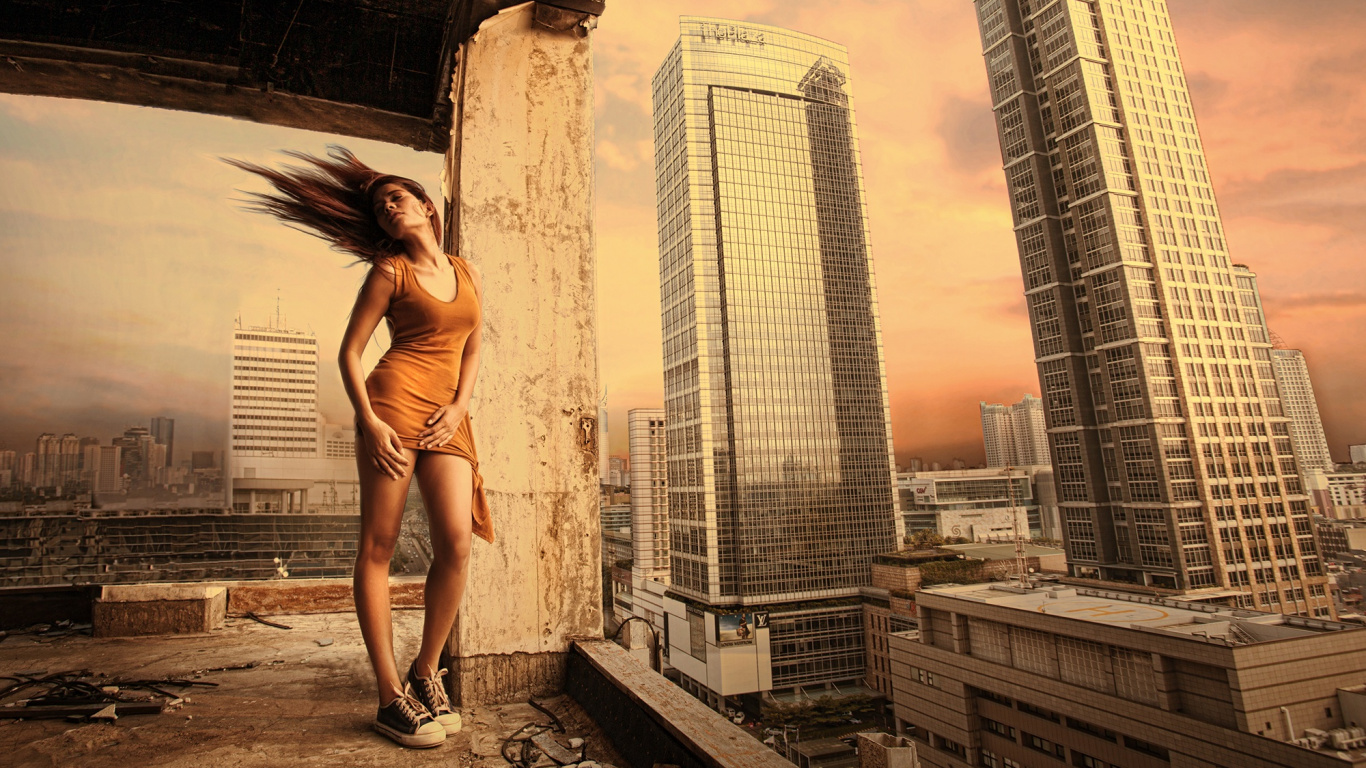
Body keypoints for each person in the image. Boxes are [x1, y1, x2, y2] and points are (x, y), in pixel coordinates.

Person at [226, 147, 493, 749]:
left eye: (396, 198)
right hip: (392, 407)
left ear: (427, 206)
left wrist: (459, 408)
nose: (388, 209)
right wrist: (369, 423)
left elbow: (472, 344)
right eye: (379, 207)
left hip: (446, 417)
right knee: (380, 543)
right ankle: (389, 697)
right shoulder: (388, 272)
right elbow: (350, 352)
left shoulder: (466, 270)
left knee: (454, 542)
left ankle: (427, 672)